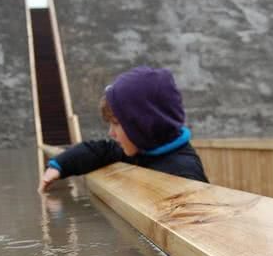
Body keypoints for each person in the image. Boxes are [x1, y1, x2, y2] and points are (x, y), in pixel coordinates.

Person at [38, 66, 208, 193]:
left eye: (117, 124)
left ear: (143, 125)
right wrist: (59, 165)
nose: (111, 133)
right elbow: (99, 150)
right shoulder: (142, 150)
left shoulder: (184, 174)